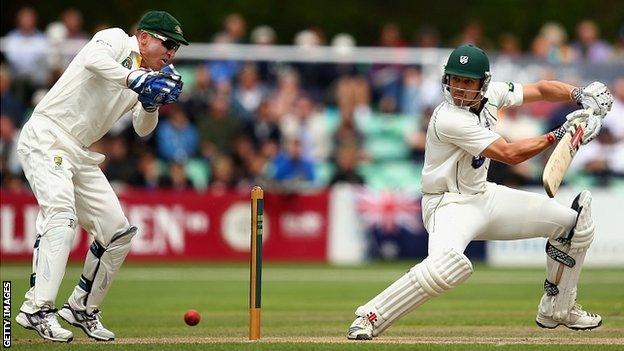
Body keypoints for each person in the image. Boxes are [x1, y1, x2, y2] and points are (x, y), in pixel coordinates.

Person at [347, 44, 613, 340]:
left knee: (574, 225)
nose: (459, 89)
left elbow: (539, 89)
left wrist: (579, 94)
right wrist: (559, 134)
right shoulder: (448, 118)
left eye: (467, 82)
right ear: (446, 80)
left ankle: (558, 308)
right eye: (455, 80)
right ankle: (369, 316)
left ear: (482, 83)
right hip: (447, 205)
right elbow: (509, 154)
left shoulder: (492, 95)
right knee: (447, 267)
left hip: (484, 196)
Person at [14, 11, 188, 342]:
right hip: (47, 134)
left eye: (176, 48)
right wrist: (134, 80)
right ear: (145, 37)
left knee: (117, 232)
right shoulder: (116, 40)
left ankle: (81, 307)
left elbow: (142, 130)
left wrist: (151, 104)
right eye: (167, 43)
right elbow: (93, 59)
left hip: (79, 151)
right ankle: (36, 310)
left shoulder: (150, 77)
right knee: (61, 217)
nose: (171, 53)